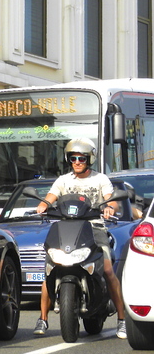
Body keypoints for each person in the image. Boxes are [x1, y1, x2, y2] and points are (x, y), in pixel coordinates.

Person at [33, 138, 127, 339]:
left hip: (94, 228)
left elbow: (111, 199)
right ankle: (43, 318)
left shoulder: (100, 179)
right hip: (65, 227)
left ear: (89, 159)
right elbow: (51, 196)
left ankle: (122, 320)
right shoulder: (63, 180)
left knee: (109, 270)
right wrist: (43, 205)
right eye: (73, 158)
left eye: (81, 158)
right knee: (49, 269)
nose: (77, 162)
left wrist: (110, 207)